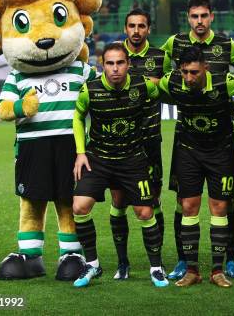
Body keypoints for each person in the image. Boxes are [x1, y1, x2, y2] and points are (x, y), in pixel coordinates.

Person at [161, 0, 234, 280]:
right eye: (194, 16)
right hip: (188, 138)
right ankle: (185, 262)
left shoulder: (226, 45)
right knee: (184, 203)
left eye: (204, 16)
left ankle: (229, 260)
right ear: (188, 18)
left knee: (227, 201)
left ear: (211, 17)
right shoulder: (174, 44)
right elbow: (156, 67)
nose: (199, 21)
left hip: (221, 136)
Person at [72, 43, 167, 288]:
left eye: (120, 63)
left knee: (145, 212)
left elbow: (169, 91)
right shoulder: (90, 89)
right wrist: (81, 152)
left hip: (132, 159)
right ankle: (92, 264)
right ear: (103, 65)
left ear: (128, 64)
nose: (115, 68)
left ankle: (156, 268)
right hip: (99, 158)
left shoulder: (142, 85)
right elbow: (78, 115)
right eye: (110, 63)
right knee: (80, 207)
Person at [107, 9, 166, 280]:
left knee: (152, 202)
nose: (136, 30)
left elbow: (169, 84)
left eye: (141, 26)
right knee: (118, 201)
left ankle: (158, 260)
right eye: (131, 25)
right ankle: (123, 262)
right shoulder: (116, 57)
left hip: (150, 141)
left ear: (149, 30)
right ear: (125, 28)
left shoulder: (160, 57)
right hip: (120, 145)